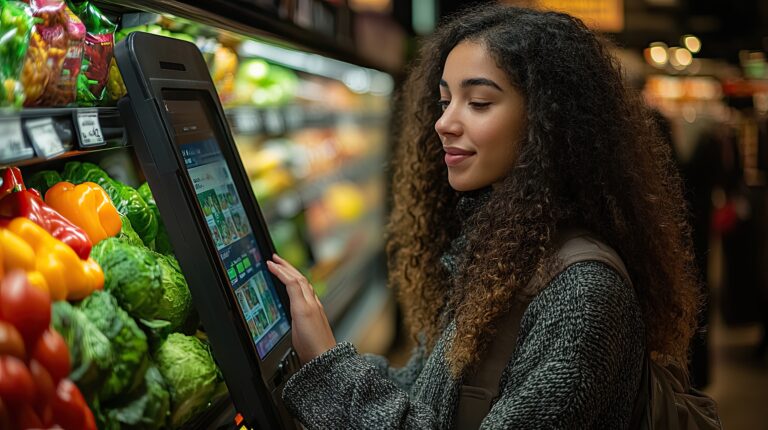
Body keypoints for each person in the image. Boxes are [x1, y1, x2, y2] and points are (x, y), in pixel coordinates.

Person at [267, 4, 700, 429]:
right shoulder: (502, 253)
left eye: (477, 102)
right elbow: (426, 396)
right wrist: (319, 358)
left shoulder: (582, 295)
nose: (443, 123)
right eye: (444, 101)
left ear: (548, 120)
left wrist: (328, 367)